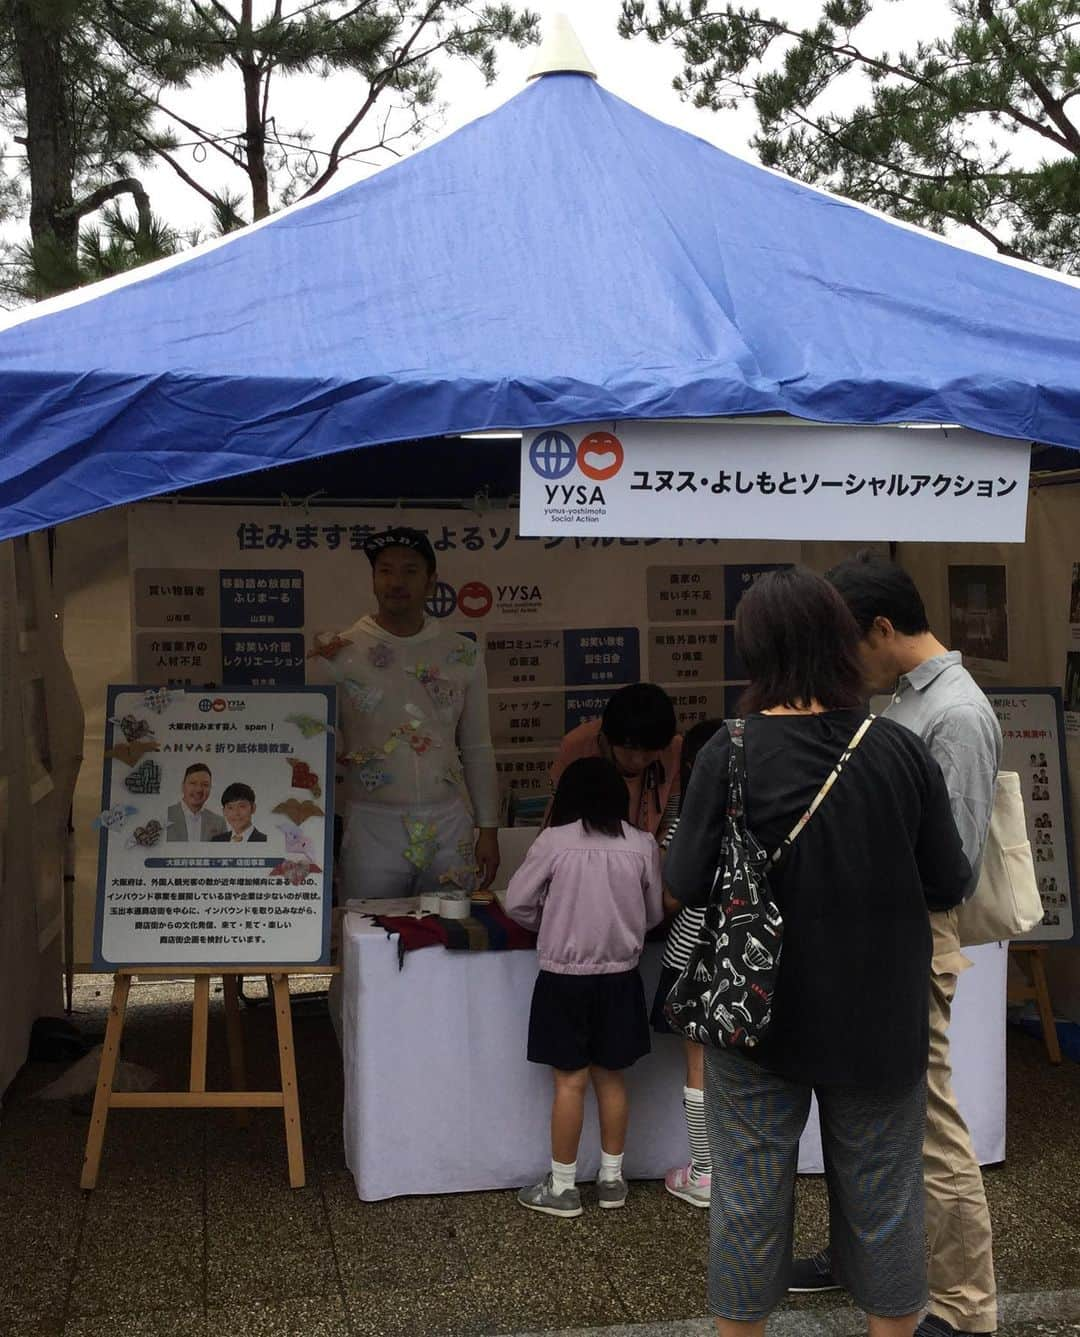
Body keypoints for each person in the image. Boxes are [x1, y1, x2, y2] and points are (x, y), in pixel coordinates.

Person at [665, 567, 970, 1337]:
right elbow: (949, 880)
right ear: (840, 641)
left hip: (755, 1014)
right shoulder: (898, 749)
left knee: (748, 1195)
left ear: (756, 649)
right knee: (886, 1199)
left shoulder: (726, 752)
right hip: (879, 1015)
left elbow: (684, 880)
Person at [789, 553, 1002, 1337]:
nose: (842, 665)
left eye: (847, 644)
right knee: (858, 1111)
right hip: (868, 933)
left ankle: (963, 1306)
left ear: (880, 628)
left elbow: (953, 866)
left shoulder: (957, 711)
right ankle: (859, 1262)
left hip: (912, 938)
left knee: (927, 1123)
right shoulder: (902, 702)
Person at [505, 756, 664, 1218]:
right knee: (611, 1078)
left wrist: (548, 922)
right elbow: (653, 914)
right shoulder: (642, 843)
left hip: (563, 980)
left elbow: (517, 903)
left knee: (569, 1083)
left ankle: (562, 1187)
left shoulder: (553, 842)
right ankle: (612, 1181)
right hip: (621, 979)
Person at [307, 527, 499, 899]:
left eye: (410, 571)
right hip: (371, 823)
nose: (396, 582)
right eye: (386, 570)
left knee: (452, 942)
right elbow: (316, 753)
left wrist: (488, 828)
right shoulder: (338, 656)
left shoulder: (462, 654)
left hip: (449, 823)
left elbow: (477, 746)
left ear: (431, 582)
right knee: (368, 938)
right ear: (373, 580)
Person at [649, 717, 722, 1209]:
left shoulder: (689, 821)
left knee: (698, 1065)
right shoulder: (759, 811)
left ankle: (704, 1172)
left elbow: (670, 899)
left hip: (691, 955)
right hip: (744, 958)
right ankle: (737, 1171)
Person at [551, 682, 682, 835]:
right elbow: (557, 821)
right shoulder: (576, 746)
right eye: (629, 748)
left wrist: (660, 852)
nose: (637, 760)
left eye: (649, 751)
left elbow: (675, 820)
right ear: (607, 739)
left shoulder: (673, 747)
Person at [166, 763, 227, 842]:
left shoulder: (219, 822)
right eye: (193, 783)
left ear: (210, 788)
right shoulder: (165, 815)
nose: (199, 790)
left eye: (205, 785)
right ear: (183, 786)